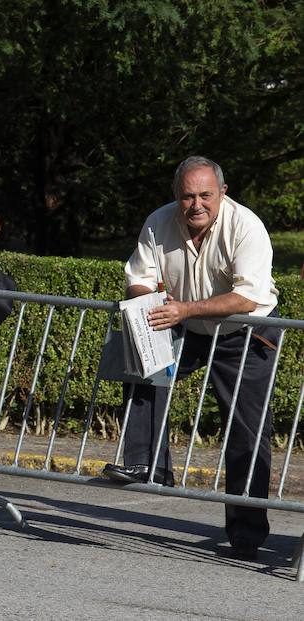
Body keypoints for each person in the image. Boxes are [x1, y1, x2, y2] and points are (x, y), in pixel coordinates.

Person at [102, 156, 279, 560]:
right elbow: (139, 277)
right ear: (175, 196)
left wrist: (182, 309)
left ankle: (247, 531)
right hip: (187, 324)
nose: (196, 204)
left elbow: (246, 297)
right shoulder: (158, 221)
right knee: (140, 366)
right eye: (187, 196)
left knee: (247, 434)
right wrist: (146, 306)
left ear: (222, 193)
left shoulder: (246, 226)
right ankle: (149, 465)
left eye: (205, 196)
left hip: (243, 334)